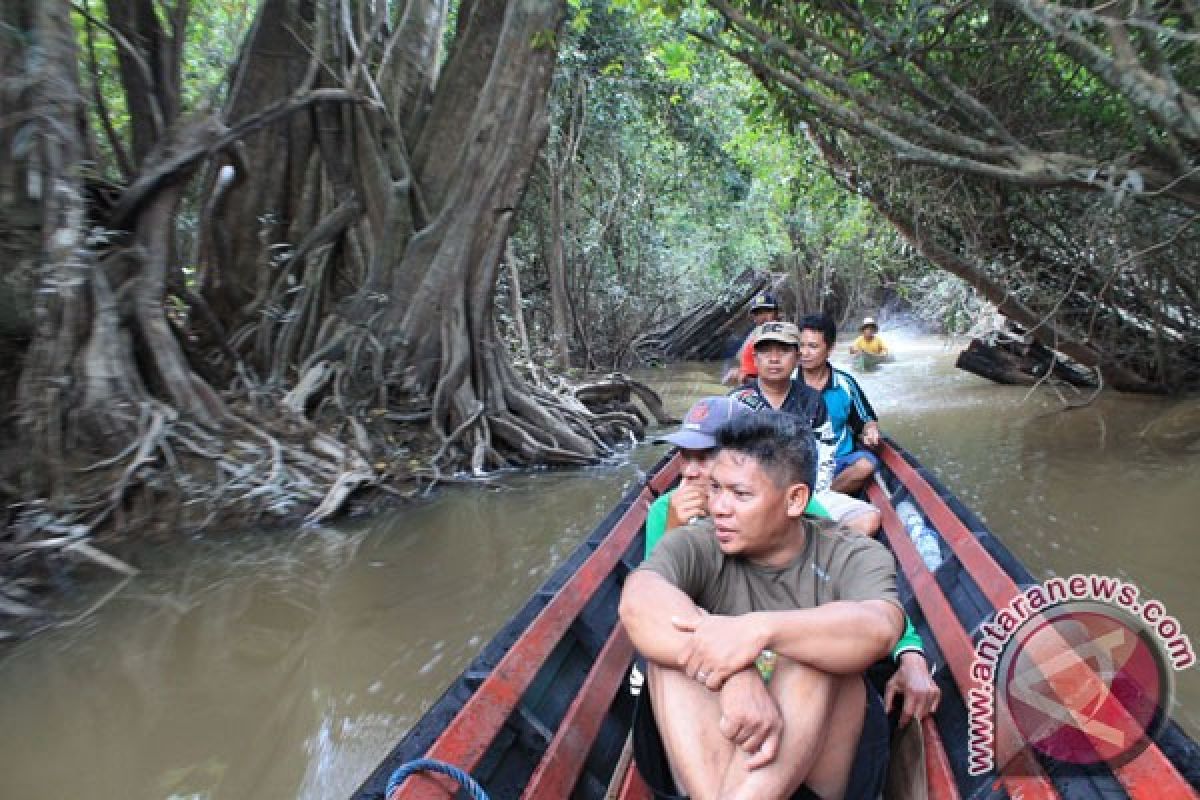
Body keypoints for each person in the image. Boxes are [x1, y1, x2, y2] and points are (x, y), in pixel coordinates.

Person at [621, 412, 904, 800]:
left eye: (740, 495)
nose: (718, 506)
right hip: (717, 767)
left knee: (814, 659)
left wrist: (759, 631)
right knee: (668, 660)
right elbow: (640, 597)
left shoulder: (853, 553)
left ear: (795, 500)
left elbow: (879, 627)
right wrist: (735, 674)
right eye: (715, 489)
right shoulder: (698, 542)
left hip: (820, 773)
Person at [646, 397, 939, 735]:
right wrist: (675, 528)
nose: (690, 471)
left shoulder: (792, 507)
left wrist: (909, 654)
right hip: (711, 668)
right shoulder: (667, 511)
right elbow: (662, 606)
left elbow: (856, 584)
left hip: (787, 668)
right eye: (685, 456)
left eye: (705, 456)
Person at [729, 321, 880, 537]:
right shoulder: (737, 402)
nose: (774, 359)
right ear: (755, 359)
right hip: (749, 493)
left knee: (868, 518)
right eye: (765, 351)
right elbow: (722, 459)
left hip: (803, 493)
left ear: (796, 357)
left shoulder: (812, 401)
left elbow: (826, 455)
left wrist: (805, 497)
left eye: (783, 351)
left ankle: (812, 548)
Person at [798, 314, 881, 496]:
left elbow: (866, 419)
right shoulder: (787, 383)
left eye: (812, 346)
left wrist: (870, 430)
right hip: (798, 466)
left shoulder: (845, 383)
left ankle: (815, 503)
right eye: (801, 346)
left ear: (830, 349)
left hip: (839, 463)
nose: (804, 353)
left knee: (866, 464)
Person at [722, 292, 781, 385]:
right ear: (754, 317)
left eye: (767, 311)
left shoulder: (782, 337)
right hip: (747, 388)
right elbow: (740, 359)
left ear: (777, 313)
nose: (763, 316)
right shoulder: (755, 333)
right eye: (758, 313)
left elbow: (778, 379)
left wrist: (744, 378)